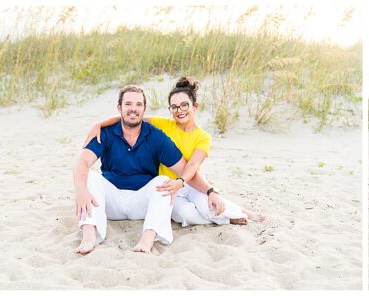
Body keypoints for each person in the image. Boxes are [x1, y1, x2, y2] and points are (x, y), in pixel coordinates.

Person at [84, 77, 262, 227]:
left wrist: (182, 182)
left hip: (190, 180)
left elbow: (193, 165)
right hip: (167, 185)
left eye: (184, 105)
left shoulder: (203, 137)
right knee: (184, 215)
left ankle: (237, 211)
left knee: (207, 203)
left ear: (194, 106)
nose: (180, 111)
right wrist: (98, 124)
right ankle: (227, 219)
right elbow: (131, 116)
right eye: (174, 107)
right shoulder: (163, 125)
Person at [73, 85, 190, 255]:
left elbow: (185, 171)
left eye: (138, 105)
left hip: (141, 203)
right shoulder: (105, 133)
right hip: (110, 202)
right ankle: (90, 235)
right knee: (90, 177)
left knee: (163, 182)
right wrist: (81, 190)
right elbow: (82, 162)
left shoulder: (156, 136)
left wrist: (210, 192)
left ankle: (147, 238)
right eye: (128, 104)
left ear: (144, 109)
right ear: (119, 108)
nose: (133, 109)